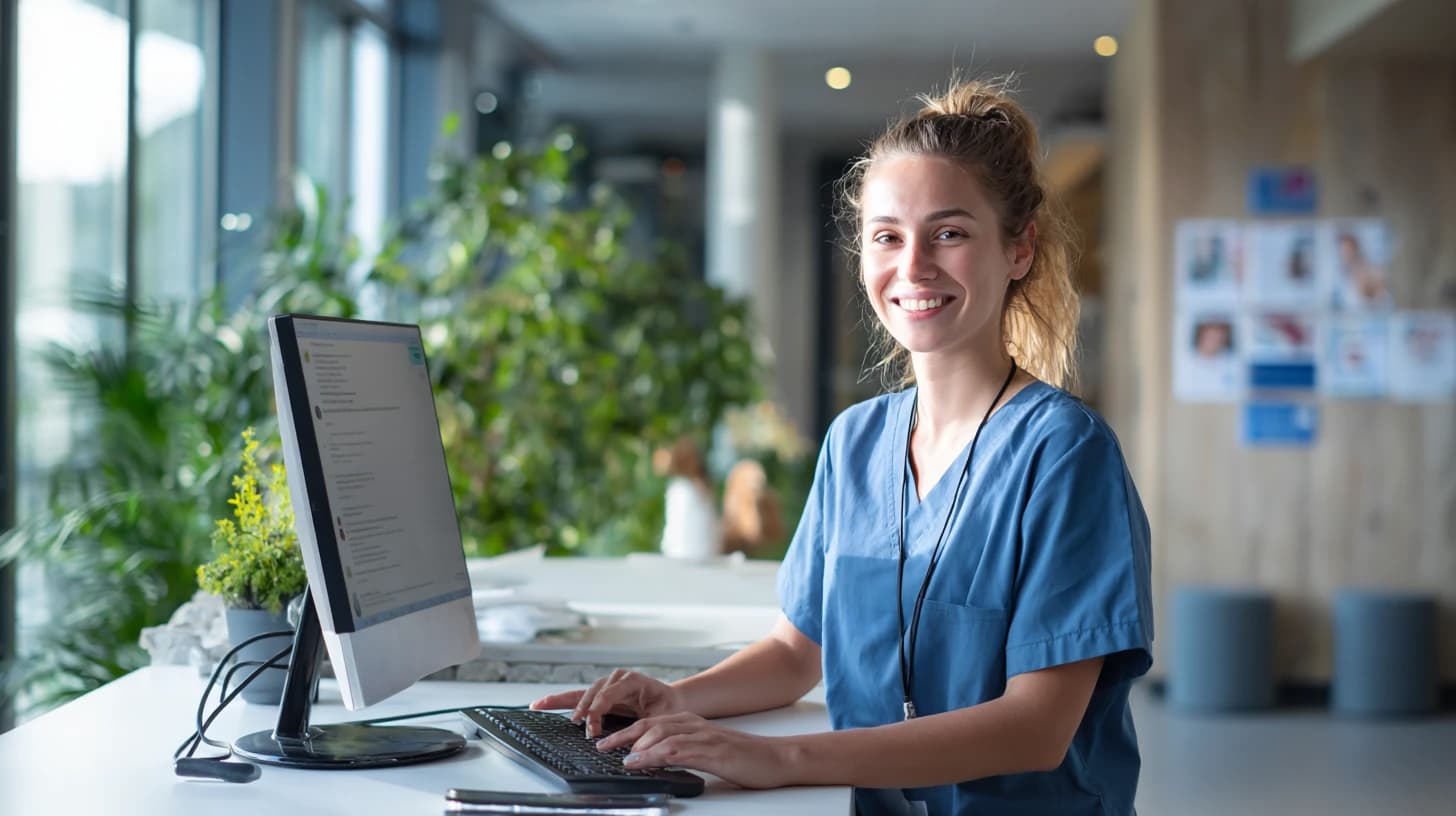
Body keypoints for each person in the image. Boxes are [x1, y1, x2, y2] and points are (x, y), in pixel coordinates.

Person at [532, 78, 1153, 816]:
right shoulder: (857, 442)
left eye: (949, 233)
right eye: (888, 236)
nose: (913, 265)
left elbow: (1037, 729)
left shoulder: (1063, 453)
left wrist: (777, 760)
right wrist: (673, 701)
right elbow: (798, 653)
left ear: (1019, 250)